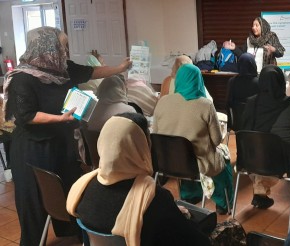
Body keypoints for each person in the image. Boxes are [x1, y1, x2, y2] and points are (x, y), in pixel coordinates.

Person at [4, 26, 131, 245]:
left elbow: (92, 72)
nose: (66, 50)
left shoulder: (62, 68)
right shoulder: (22, 77)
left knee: (70, 191)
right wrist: (60, 119)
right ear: (48, 47)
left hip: (60, 142)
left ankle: (69, 232)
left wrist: (120, 67)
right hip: (32, 147)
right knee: (35, 200)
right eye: (62, 46)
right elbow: (27, 115)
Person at [67, 113, 211, 245]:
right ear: (142, 144)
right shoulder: (153, 197)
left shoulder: (82, 187)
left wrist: (168, 211)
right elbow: (194, 241)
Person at [153, 64, 234, 215]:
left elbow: (155, 133)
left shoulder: (163, 102)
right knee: (223, 157)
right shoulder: (205, 104)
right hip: (197, 163)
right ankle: (223, 204)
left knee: (186, 154)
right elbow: (216, 140)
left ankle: (190, 196)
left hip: (167, 162)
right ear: (198, 80)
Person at [241, 65, 290, 210]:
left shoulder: (250, 103)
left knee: (261, 146)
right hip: (285, 160)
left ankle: (260, 194)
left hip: (254, 160)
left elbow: (244, 129)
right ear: (281, 82)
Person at [226, 53, 259, 130]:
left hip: (237, 123)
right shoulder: (259, 82)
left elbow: (228, 102)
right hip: (255, 125)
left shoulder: (232, 81)